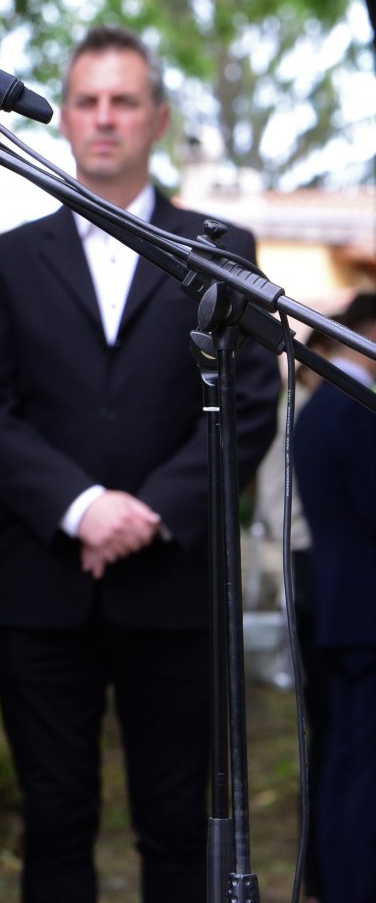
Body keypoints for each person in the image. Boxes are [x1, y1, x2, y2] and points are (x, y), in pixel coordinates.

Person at [0, 26, 280, 903]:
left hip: (176, 586)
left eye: (124, 102)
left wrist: (148, 512)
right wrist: (83, 506)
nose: (104, 119)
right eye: (88, 102)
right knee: (55, 824)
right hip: (42, 591)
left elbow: (249, 406)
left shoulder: (223, 252)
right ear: (66, 119)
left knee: (178, 827)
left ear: (158, 118)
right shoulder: (9, 263)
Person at [292, 292, 376, 903]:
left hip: (345, 606)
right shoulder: (356, 405)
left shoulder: (324, 403)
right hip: (365, 609)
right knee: (360, 763)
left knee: (348, 755)